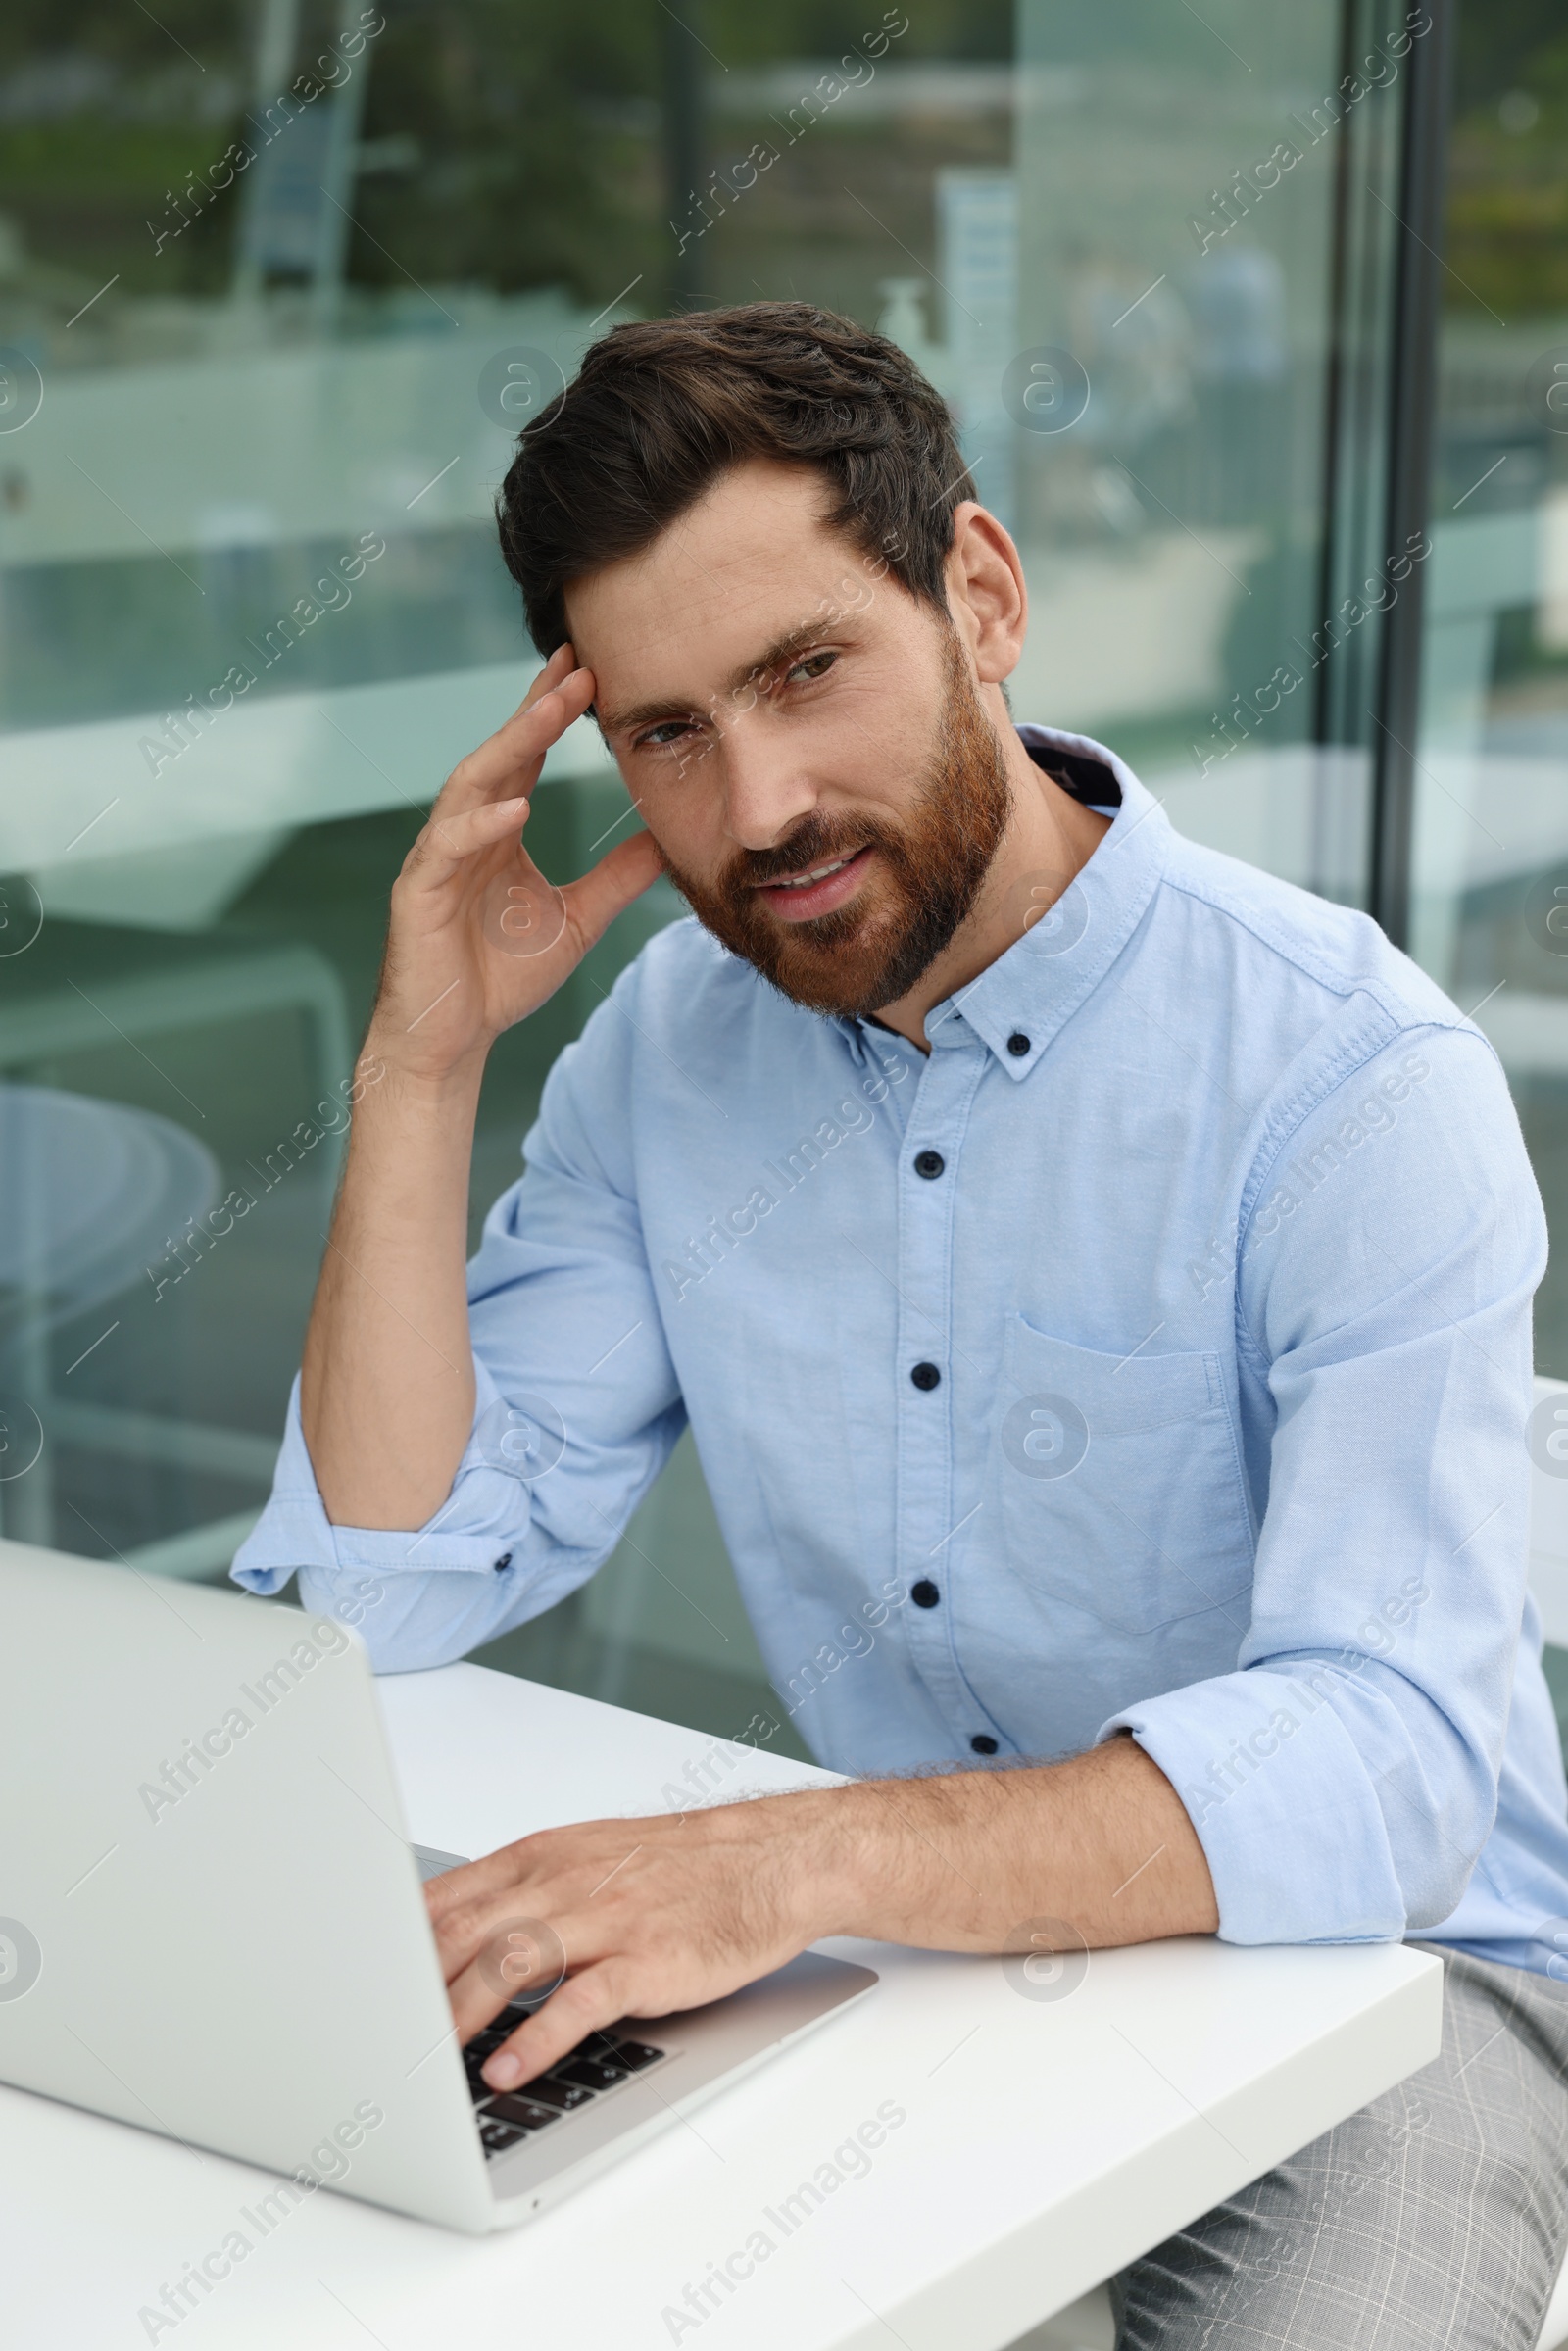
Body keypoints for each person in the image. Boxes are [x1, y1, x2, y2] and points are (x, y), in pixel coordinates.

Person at [234, 303, 1568, 2346]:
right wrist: (421, 1068)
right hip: (908, 1962)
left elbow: (1391, 1769)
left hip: (1385, 1984)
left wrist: (786, 1866)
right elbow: (378, 1585)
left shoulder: (1344, 1076)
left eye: (804, 673)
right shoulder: (663, 1053)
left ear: (980, 593)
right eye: (667, 731)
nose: (755, 806)